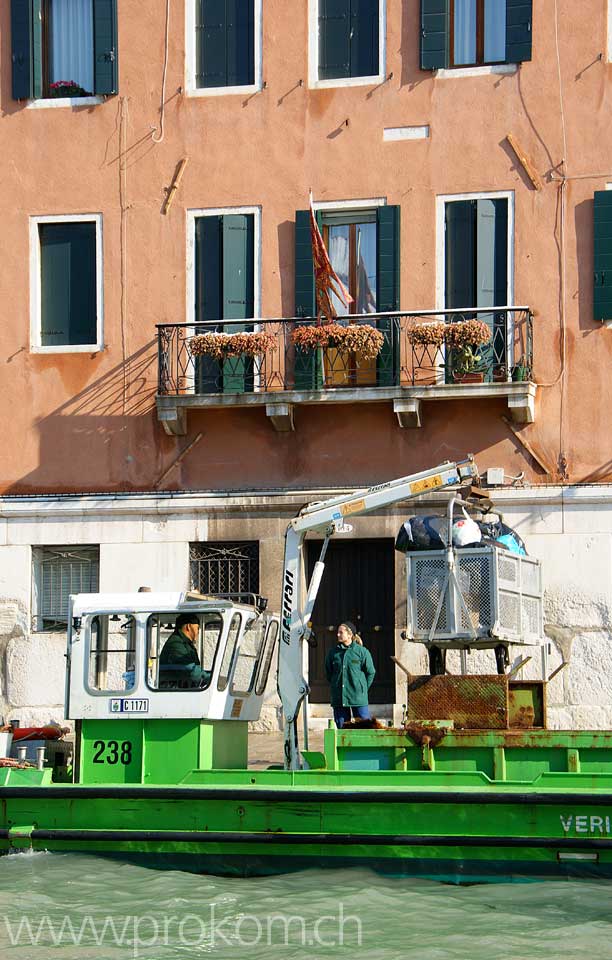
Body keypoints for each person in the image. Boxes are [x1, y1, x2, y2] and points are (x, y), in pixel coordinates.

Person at [325, 621, 375, 728]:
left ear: (350, 634)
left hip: (358, 697)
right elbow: (328, 673)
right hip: (339, 698)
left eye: (341, 632)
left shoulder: (362, 652)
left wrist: (363, 688)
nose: (337, 635)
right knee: (342, 729)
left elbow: (371, 672)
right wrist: (336, 685)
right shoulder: (333, 653)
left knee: (364, 728)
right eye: (338, 632)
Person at [159, 613, 211, 689]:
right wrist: (212, 677)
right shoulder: (176, 644)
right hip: (173, 692)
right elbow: (190, 672)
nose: (198, 631)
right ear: (188, 627)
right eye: (197, 628)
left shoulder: (185, 643)